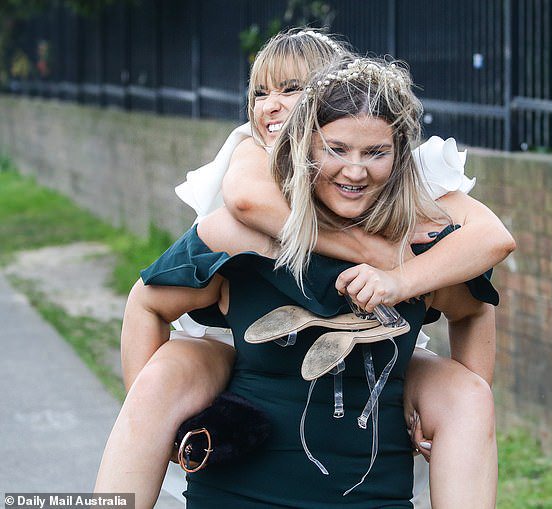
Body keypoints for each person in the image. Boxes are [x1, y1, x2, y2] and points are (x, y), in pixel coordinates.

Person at [95, 31, 513, 509]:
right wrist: (161, 429)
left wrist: (401, 277)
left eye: (291, 90)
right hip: (234, 355)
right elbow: (236, 210)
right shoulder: (249, 187)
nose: (273, 106)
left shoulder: (410, 201)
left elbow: (488, 255)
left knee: (467, 393)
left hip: (375, 383)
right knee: (167, 369)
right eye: (260, 93)